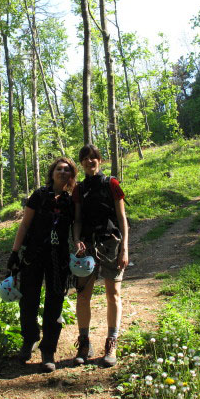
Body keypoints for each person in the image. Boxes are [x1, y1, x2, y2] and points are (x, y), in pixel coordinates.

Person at [7, 157, 78, 373]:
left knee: (55, 302)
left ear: (71, 175)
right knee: (28, 300)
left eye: (67, 170)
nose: (63, 172)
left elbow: (77, 226)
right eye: (59, 169)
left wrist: (79, 247)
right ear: (52, 172)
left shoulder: (72, 200)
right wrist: (14, 252)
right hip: (34, 254)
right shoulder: (38, 195)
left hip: (59, 257)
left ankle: (49, 350)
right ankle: (29, 340)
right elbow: (25, 224)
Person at [72, 144, 129, 367]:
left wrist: (124, 248)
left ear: (100, 160)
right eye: (85, 159)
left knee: (113, 293)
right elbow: (76, 219)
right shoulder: (79, 189)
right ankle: (84, 342)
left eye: (93, 157)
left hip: (110, 244)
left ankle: (111, 342)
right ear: (81, 163)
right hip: (86, 247)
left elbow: (122, 218)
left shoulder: (111, 184)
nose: (89, 161)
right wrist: (76, 240)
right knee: (83, 294)